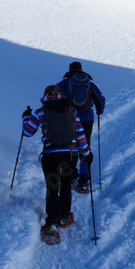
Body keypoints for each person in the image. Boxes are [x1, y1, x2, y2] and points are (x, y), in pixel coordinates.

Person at [23, 85, 91, 243]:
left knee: (52, 188)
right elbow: (80, 134)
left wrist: (26, 117)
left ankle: (52, 224)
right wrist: (86, 154)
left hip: (50, 155)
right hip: (70, 154)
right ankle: (65, 217)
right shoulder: (71, 110)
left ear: (46, 95)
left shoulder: (41, 111)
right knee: (66, 184)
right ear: (60, 94)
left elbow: (27, 132)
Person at [57, 61, 105, 192]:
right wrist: (99, 111)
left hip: (69, 117)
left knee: (70, 144)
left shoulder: (63, 83)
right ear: (81, 70)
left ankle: (72, 176)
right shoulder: (90, 83)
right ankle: (84, 179)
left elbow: (55, 99)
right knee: (85, 145)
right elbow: (101, 101)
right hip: (86, 117)